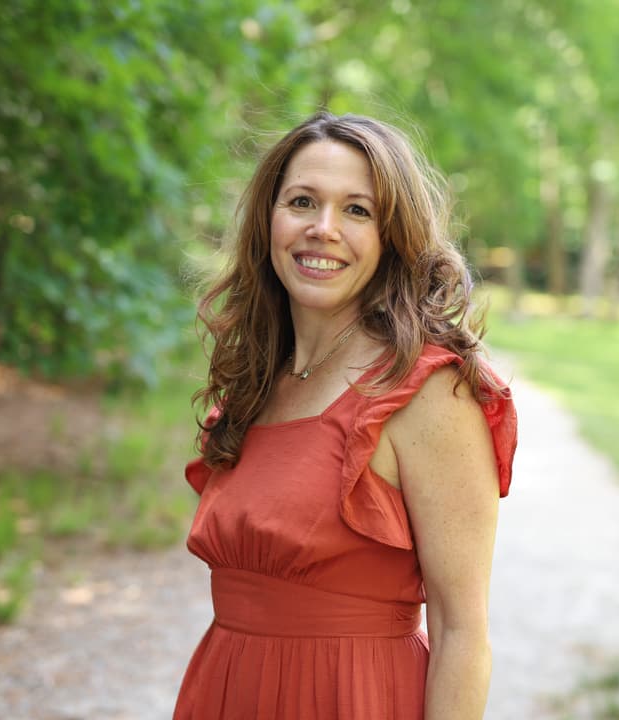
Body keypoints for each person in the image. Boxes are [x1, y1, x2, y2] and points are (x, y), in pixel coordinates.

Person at [175, 111, 517, 720]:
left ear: (392, 236)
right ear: (269, 219)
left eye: (357, 210)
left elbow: (462, 634)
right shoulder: (255, 385)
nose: (323, 228)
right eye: (302, 202)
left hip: (355, 699)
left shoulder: (427, 393)